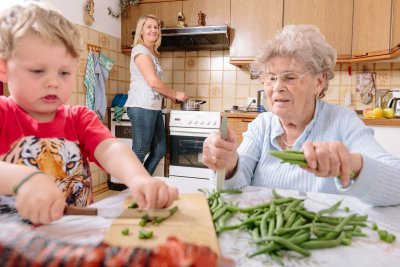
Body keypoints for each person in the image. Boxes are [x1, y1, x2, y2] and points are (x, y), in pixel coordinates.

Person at [0, 1, 178, 225]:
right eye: (37, 70)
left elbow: (111, 149)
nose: (53, 82)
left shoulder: (79, 118)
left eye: (64, 72)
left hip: (76, 239)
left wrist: (139, 178)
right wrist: (23, 180)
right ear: (4, 68)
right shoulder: (3, 113)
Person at [202, 24, 400, 207]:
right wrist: (228, 166)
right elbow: (234, 188)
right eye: (271, 78)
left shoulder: (342, 121)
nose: (277, 87)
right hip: (263, 238)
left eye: (289, 77)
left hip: (323, 237)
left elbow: (397, 182)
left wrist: (354, 165)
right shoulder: (262, 124)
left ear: (319, 82)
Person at [125, 14, 187, 175]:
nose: (153, 30)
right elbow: (153, 82)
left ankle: (142, 185)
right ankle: (132, 191)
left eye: (156, 27)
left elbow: (154, 86)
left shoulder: (151, 54)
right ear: (141, 32)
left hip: (153, 107)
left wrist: (171, 96)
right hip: (141, 106)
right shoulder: (140, 51)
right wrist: (175, 93)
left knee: (160, 150)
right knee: (140, 150)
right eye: (149, 27)